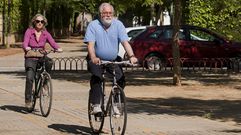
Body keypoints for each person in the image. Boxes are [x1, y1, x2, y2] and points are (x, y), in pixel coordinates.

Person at [84, 3, 138, 114]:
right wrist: (93, 57)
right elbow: (90, 44)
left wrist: (131, 56)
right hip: (97, 59)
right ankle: (96, 105)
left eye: (110, 13)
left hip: (112, 60)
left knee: (121, 79)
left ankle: (116, 104)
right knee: (97, 77)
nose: (108, 15)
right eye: (105, 13)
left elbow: (125, 43)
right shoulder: (93, 25)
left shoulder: (118, 25)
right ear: (100, 14)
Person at [22, 14, 63, 109]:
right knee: (29, 78)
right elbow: (25, 42)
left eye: (42, 22)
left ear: (44, 23)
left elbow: (52, 42)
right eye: (37, 21)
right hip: (31, 57)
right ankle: (28, 100)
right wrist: (26, 47)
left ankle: (44, 82)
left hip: (41, 55)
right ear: (34, 22)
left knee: (49, 62)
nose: (39, 23)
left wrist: (58, 48)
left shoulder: (45, 33)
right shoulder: (29, 31)